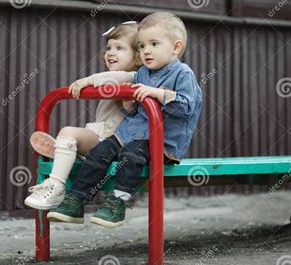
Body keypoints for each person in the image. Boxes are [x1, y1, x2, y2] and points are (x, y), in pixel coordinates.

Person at [47, 12, 203, 228]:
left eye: (154, 44)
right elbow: (125, 87)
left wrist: (157, 94)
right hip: (130, 133)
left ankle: (118, 204)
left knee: (130, 155)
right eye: (141, 46)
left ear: (176, 47)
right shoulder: (143, 74)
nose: (146, 51)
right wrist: (119, 99)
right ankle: (76, 200)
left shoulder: (182, 74)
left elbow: (187, 107)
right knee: (98, 152)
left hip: (161, 143)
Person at [24, 21, 141, 210]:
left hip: (117, 143)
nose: (111, 52)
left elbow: (110, 79)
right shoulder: (118, 79)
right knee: (69, 136)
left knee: (68, 132)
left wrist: (87, 81)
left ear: (137, 56)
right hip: (103, 137)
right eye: (109, 47)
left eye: (119, 48)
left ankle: (56, 183)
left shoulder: (133, 77)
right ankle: (68, 151)